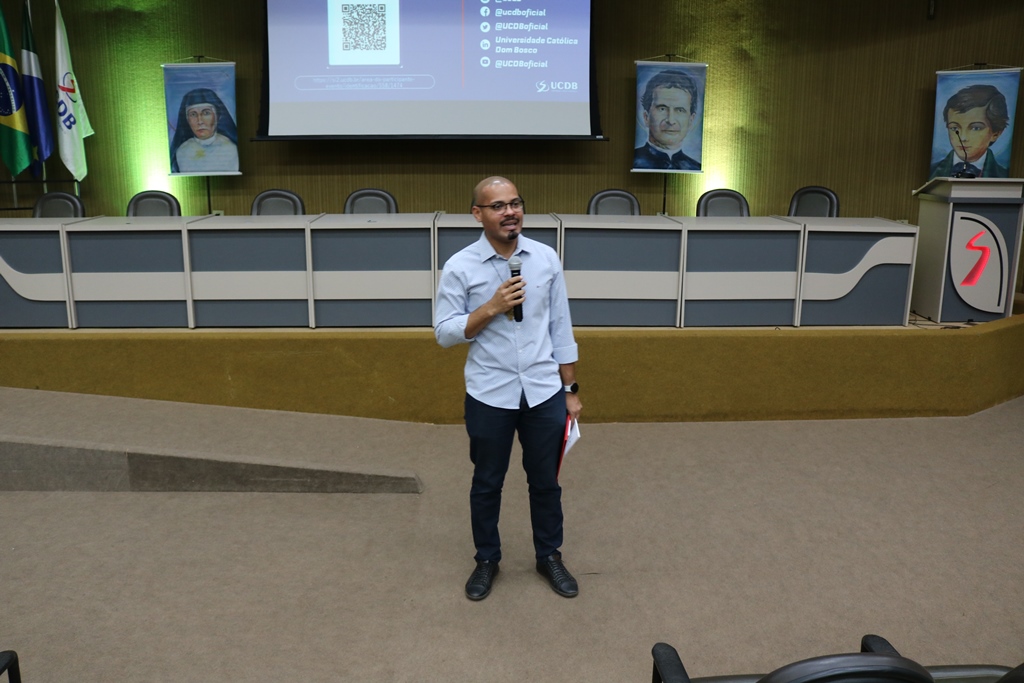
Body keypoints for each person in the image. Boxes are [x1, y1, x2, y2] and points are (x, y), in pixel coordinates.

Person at [434, 176, 583, 601]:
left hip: (543, 391)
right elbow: (444, 333)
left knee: (546, 483)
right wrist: (491, 308)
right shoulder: (461, 266)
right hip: (489, 393)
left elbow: (561, 327)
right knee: (487, 482)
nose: (510, 212)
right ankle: (487, 559)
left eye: (515, 203)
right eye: (497, 206)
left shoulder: (545, 258)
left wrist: (570, 389)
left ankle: (549, 556)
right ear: (477, 214)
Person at [929, 84, 1009, 179]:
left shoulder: (1003, 176)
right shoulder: (933, 172)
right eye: (955, 128)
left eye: (976, 128)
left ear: (996, 133)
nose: (963, 138)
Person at [634, 69, 702, 171]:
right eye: (662, 109)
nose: (671, 121)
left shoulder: (695, 168)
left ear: (691, 120)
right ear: (646, 117)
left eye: (680, 110)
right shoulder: (634, 162)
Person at [170, 88, 239, 174]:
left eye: (206, 113)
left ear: (218, 116)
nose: (200, 121)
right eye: (193, 114)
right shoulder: (182, 151)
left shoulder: (230, 149)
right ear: (187, 119)